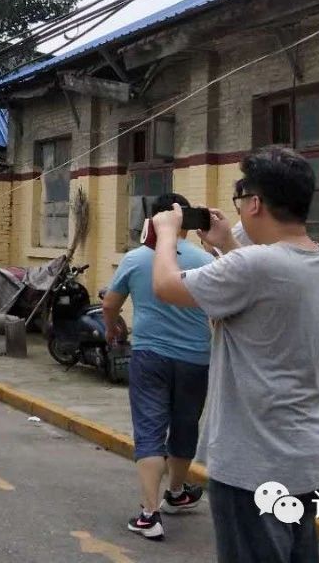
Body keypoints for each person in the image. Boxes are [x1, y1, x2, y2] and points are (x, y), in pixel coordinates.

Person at [151, 146, 319, 563]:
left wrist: (168, 233)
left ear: (255, 203)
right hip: (311, 459)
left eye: (242, 203)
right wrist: (226, 243)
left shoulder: (255, 266)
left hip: (257, 465)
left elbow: (167, 285)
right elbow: (261, 286)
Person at [103, 192, 213, 541]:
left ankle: (149, 514)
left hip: (150, 355)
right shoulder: (204, 259)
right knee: (185, 424)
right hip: (196, 357)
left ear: (153, 221)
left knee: (150, 427)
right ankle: (177, 492)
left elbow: (110, 303)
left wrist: (112, 327)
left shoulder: (135, 259)